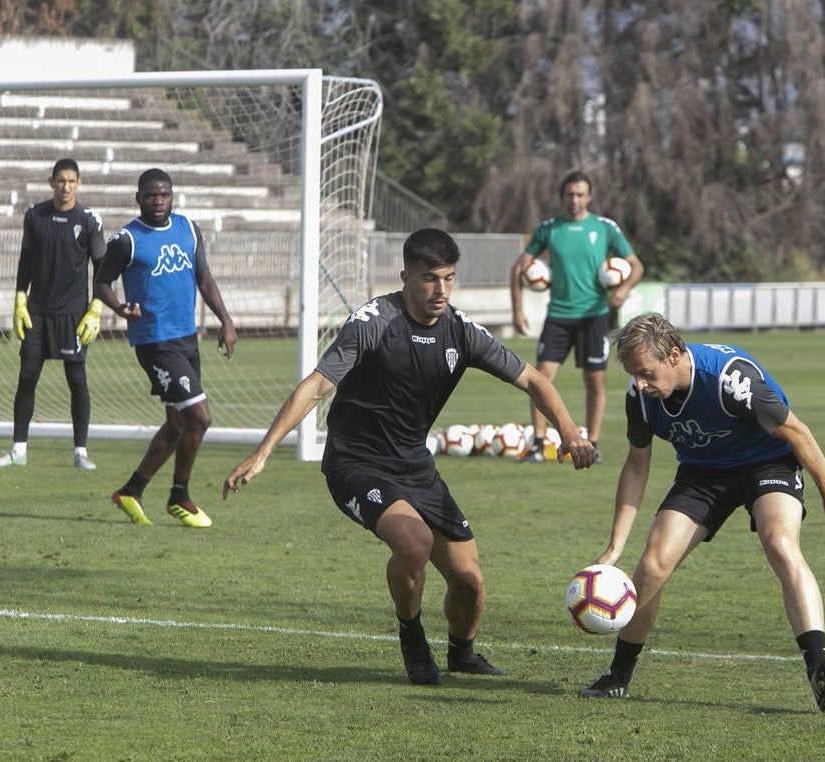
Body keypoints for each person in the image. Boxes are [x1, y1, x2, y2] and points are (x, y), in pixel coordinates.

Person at [223, 228, 597, 685]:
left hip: (415, 466)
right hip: (355, 463)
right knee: (414, 542)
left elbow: (536, 380)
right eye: (429, 279)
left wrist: (570, 433)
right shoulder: (374, 322)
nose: (440, 290)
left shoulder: (461, 331)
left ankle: (462, 653)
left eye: (449, 278)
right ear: (405, 276)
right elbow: (317, 385)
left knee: (469, 582)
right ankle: (412, 636)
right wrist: (264, 452)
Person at [577, 313, 825, 712]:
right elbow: (637, 466)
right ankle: (618, 676)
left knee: (780, 544)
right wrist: (613, 549)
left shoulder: (732, 380)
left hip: (767, 463)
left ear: (674, 355)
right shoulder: (640, 399)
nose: (639, 384)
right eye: (633, 375)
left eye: (645, 373)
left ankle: (819, 667)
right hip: (703, 473)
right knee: (652, 565)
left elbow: (797, 431)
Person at [94, 168, 237, 528]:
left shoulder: (188, 229)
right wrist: (120, 308)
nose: (158, 202)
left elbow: (204, 278)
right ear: (138, 197)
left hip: (187, 338)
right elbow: (101, 282)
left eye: (164, 195)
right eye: (151, 195)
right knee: (200, 418)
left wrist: (226, 320)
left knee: (177, 424)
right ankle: (179, 495)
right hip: (155, 342)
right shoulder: (127, 239)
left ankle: (131, 490)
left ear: (172, 196)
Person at [510, 170, 643, 464]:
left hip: (594, 317)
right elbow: (519, 268)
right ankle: (537, 443)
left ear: (589, 196)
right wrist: (517, 309)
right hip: (558, 315)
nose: (575, 199)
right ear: (562, 197)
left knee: (595, 381)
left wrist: (622, 290)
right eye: (570, 194)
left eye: (580, 194)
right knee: (540, 378)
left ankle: (592, 444)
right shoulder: (549, 229)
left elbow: (636, 266)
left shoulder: (605, 228)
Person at [0, 159, 107, 470]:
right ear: (51, 181)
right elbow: (25, 259)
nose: (66, 187)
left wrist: (96, 308)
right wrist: (19, 298)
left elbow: (102, 269)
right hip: (37, 313)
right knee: (27, 376)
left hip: (73, 315)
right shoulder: (35, 215)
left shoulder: (89, 220)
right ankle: (18, 450)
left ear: (79, 183)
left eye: (71, 181)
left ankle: (80, 451)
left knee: (76, 379)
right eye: (60, 181)